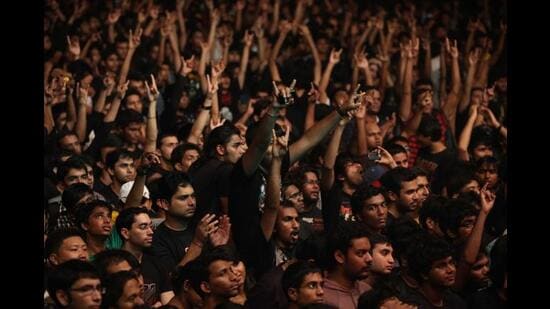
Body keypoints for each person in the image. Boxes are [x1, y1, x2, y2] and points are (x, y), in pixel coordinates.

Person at [116, 207, 174, 306]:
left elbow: (169, 302)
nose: (150, 232)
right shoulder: (114, 265)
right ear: (125, 233)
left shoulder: (156, 263)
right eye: (143, 227)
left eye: (151, 226)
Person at [323, 221, 373, 308]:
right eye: (361, 253)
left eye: (369, 252)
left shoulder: (367, 291)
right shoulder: (321, 296)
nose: (369, 259)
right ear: (339, 256)